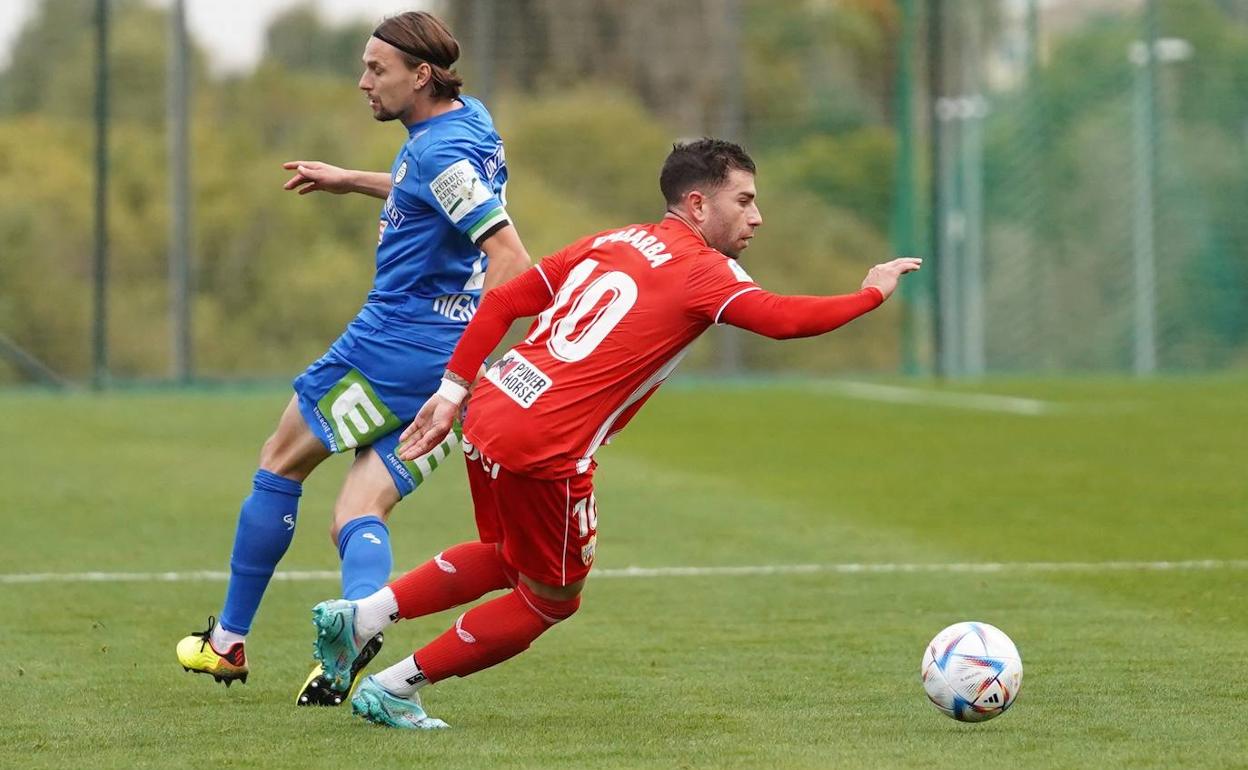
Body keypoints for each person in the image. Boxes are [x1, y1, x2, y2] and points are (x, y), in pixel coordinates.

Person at [308, 138, 922, 729]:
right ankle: (394, 688)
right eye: (744, 201)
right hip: (547, 445)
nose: (757, 217)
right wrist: (871, 292)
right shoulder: (706, 272)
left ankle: (359, 617)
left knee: (505, 556)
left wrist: (451, 393)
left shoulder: (613, 240)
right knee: (549, 599)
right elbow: (785, 321)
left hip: (493, 406)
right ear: (698, 204)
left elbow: (499, 304)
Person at [175, 11, 532, 707]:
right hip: (443, 369)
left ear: (420, 75)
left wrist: (460, 370)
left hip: (394, 347)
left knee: (279, 461)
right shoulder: (467, 123)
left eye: (377, 69)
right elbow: (439, 189)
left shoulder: (435, 153)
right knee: (356, 512)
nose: (362, 81)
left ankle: (227, 643)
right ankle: (353, 630)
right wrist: (352, 180)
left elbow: (511, 258)